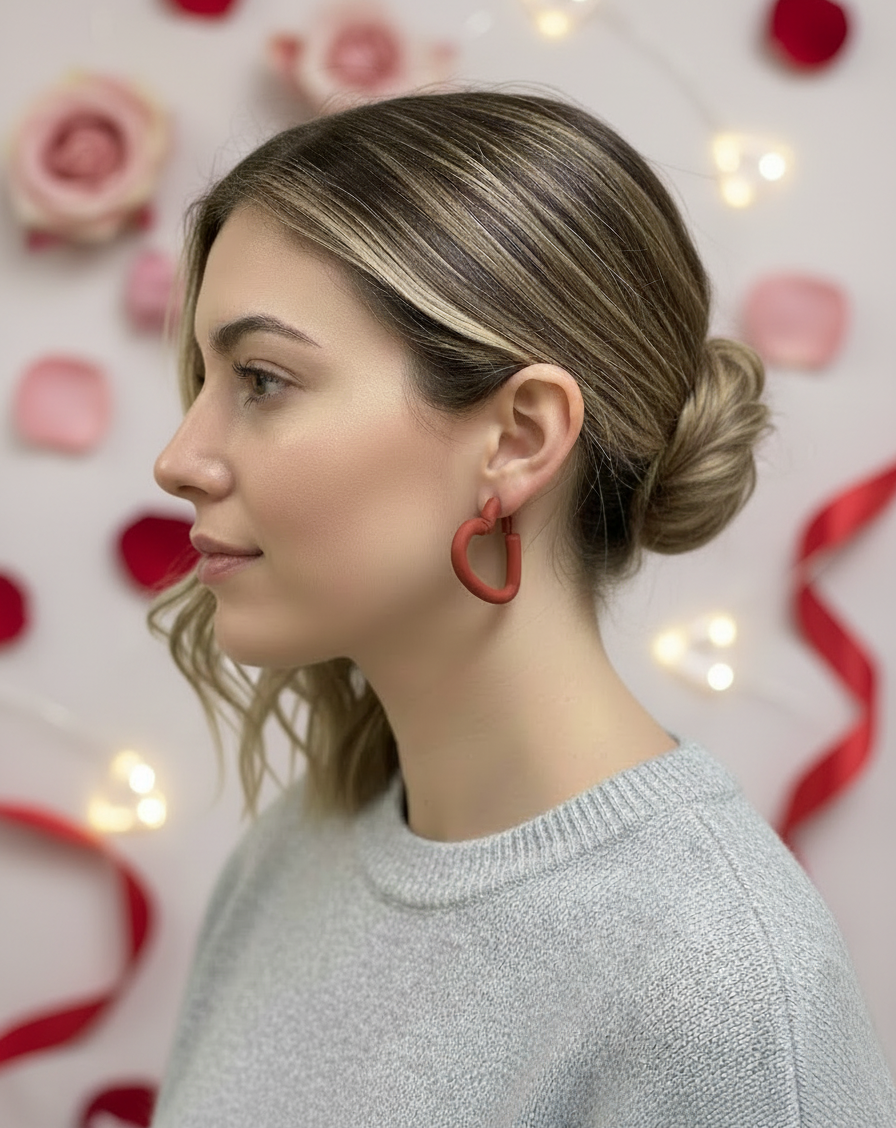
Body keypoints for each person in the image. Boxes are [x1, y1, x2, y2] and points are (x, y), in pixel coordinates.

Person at [148, 90, 896, 1126]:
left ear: (518, 437)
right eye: (203, 378)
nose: (178, 459)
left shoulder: (719, 992)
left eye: (262, 380)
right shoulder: (294, 855)